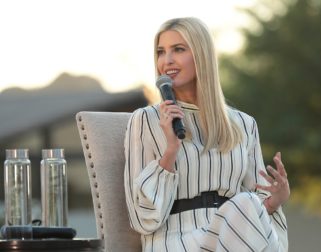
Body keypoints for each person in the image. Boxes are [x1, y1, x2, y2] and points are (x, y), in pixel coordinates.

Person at [124, 17, 289, 252]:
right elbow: (143, 217)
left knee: (247, 203)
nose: (167, 60)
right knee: (245, 203)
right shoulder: (146, 119)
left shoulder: (244, 124)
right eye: (161, 52)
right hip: (176, 238)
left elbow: (257, 210)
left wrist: (275, 200)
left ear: (201, 56)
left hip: (234, 237)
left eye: (178, 49)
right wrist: (170, 150)